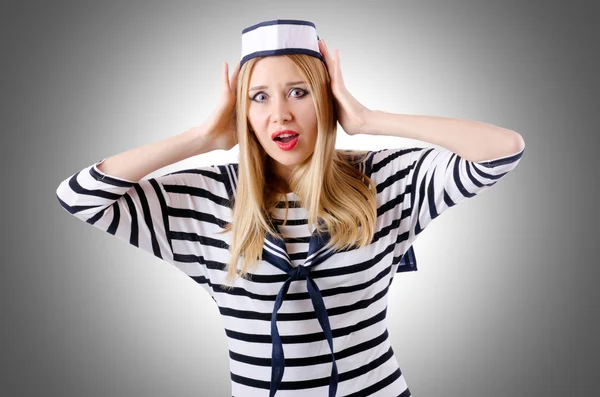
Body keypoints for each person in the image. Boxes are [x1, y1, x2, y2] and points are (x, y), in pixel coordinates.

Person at [56, 19, 525, 397]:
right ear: (243, 113)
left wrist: (367, 120)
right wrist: (201, 138)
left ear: (326, 100)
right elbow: (79, 197)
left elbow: (502, 150)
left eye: (298, 92)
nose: (280, 113)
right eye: (259, 97)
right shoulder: (206, 197)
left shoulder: (382, 181)